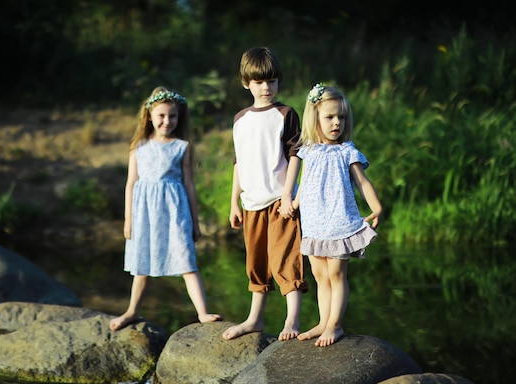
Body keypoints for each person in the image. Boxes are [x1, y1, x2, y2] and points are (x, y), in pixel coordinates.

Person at [109, 86, 223, 331]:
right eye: (161, 116)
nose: (167, 121)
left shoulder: (181, 146)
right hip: (144, 214)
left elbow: (190, 185)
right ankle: (131, 311)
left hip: (174, 212)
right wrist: (128, 219)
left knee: (186, 261)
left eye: (172, 116)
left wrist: (195, 220)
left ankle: (202, 312)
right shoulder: (138, 146)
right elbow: (131, 184)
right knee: (141, 265)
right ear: (149, 116)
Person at [280, 83, 382, 347]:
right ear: (315, 118)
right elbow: (306, 181)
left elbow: (363, 182)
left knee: (336, 274)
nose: (337, 122)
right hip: (315, 222)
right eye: (330, 117)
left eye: (341, 117)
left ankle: (335, 325)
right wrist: (293, 201)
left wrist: (376, 206)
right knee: (319, 274)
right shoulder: (308, 150)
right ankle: (323, 321)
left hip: (338, 220)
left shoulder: (347, 150)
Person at [223, 47, 309, 342]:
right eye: (259, 82)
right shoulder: (240, 119)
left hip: (279, 202)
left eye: (272, 81)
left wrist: (288, 195)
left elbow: (296, 154)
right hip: (251, 203)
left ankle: (292, 320)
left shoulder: (285, 114)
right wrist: (234, 201)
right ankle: (254, 319)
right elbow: (239, 162)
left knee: (286, 259)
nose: (266, 87)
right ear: (247, 83)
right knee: (256, 263)